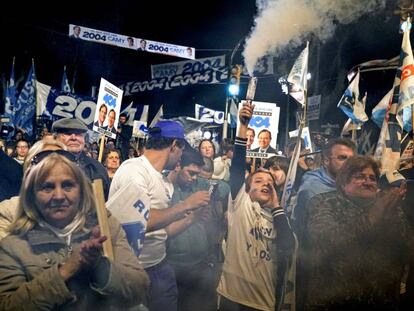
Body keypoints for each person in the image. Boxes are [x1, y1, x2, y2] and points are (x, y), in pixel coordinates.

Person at [0, 152, 149, 310]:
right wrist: (66, 270)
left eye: (67, 185)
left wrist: (99, 266)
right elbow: (7, 306)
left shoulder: (106, 227)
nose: (58, 195)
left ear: (81, 190)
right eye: (47, 187)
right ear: (32, 196)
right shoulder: (13, 247)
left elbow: (140, 288)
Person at [109, 120, 210, 311]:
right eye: (181, 150)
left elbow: (163, 231)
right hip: (133, 269)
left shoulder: (162, 180)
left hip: (159, 265)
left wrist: (192, 218)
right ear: (174, 145)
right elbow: (139, 222)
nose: (180, 157)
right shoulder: (135, 170)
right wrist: (186, 204)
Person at [298, 156, 413, 310]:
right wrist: (373, 217)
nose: (368, 182)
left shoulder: (390, 208)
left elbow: (408, 251)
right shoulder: (324, 202)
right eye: (360, 177)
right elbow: (327, 240)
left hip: (381, 302)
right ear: (344, 182)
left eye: (372, 178)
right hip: (332, 302)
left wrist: (391, 219)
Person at [217, 103, 295, 311]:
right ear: (247, 188)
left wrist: (276, 206)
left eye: (269, 182)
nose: (266, 183)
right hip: (231, 296)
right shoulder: (241, 203)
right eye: (258, 181)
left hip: (262, 302)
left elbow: (288, 245)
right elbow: (237, 166)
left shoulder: (278, 216)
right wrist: (243, 127)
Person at [166, 147, 216, 311]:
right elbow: (166, 231)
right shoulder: (163, 190)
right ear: (178, 165)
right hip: (172, 267)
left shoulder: (198, 187)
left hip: (198, 265)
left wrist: (206, 218)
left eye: (197, 174)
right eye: (191, 173)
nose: (194, 178)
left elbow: (208, 226)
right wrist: (193, 216)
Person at [0, 138, 67, 240]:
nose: (55, 168)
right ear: (29, 170)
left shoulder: (81, 211)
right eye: (46, 161)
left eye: (63, 162)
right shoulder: (9, 211)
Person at [292, 137, 356, 241]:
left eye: (351, 159)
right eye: (342, 158)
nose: (349, 163)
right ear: (326, 161)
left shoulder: (354, 183)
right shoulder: (311, 187)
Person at [52, 118, 111, 199]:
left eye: (78, 134)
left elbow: (106, 201)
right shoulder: (43, 166)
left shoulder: (97, 168)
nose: (73, 137)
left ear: (84, 139)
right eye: (67, 133)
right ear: (55, 138)